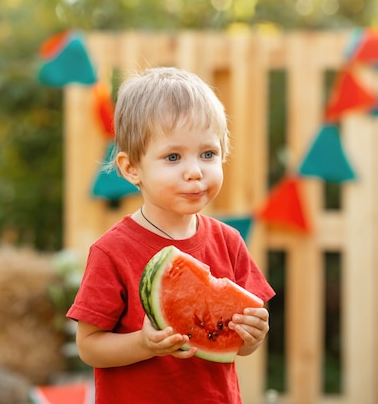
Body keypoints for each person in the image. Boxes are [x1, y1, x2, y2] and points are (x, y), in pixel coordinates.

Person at [67, 66, 276, 404]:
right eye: (173, 157)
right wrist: (143, 343)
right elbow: (88, 346)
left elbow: (239, 344)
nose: (194, 171)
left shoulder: (230, 242)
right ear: (131, 167)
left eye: (208, 154)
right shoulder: (111, 251)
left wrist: (253, 335)